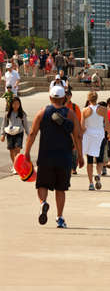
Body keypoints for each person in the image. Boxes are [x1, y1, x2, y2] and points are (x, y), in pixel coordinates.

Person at [24, 86, 84, 228]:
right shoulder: (70, 114)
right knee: (60, 189)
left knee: (42, 184)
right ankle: (60, 217)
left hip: (45, 156)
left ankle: (43, 203)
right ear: (64, 98)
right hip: (64, 157)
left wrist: (26, 152)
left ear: (50, 98)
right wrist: (80, 156)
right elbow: (78, 136)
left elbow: (32, 133)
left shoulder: (42, 112)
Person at [82, 91, 110, 190]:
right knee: (100, 159)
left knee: (89, 161)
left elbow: (82, 127)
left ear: (88, 99)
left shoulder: (85, 110)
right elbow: (107, 123)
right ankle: (98, 175)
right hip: (100, 135)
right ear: (96, 98)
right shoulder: (103, 109)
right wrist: (109, 134)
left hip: (89, 136)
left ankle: (90, 183)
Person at [1, 97, 29, 174]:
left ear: (20, 105)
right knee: (11, 150)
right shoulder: (8, 114)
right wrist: (2, 135)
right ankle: (15, 165)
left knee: (17, 150)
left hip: (19, 133)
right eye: (14, 104)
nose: (16, 105)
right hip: (9, 133)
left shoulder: (22, 114)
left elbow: (26, 125)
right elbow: (4, 124)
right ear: (11, 104)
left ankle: (17, 167)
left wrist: (28, 134)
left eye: (18, 104)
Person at [65, 90, 81, 175]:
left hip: (73, 131)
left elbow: (79, 120)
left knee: (74, 150)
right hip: (63, 132)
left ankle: (73, 168)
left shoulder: (75, 107)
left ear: (71, 96)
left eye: (68, 95)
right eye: (65, 95)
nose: (67, 96)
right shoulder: (59, 106)